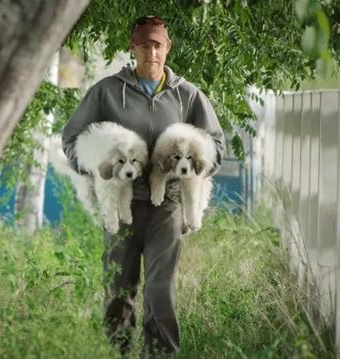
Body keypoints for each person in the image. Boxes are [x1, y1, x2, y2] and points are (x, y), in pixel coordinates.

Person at [61, 15, 225, 356]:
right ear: (133, 48)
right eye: (144, 45)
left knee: (160, 291)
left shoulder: (188, 96)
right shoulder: (106, 91)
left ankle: (161, 354)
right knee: (119, 289)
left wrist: (192, 166)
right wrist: (94, 168)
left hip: (166, 206)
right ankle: (118, 352)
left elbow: (215, 146)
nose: (152, 52)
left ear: (168, 48)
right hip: (121, 207)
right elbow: (73, 137)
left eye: (158, 45)